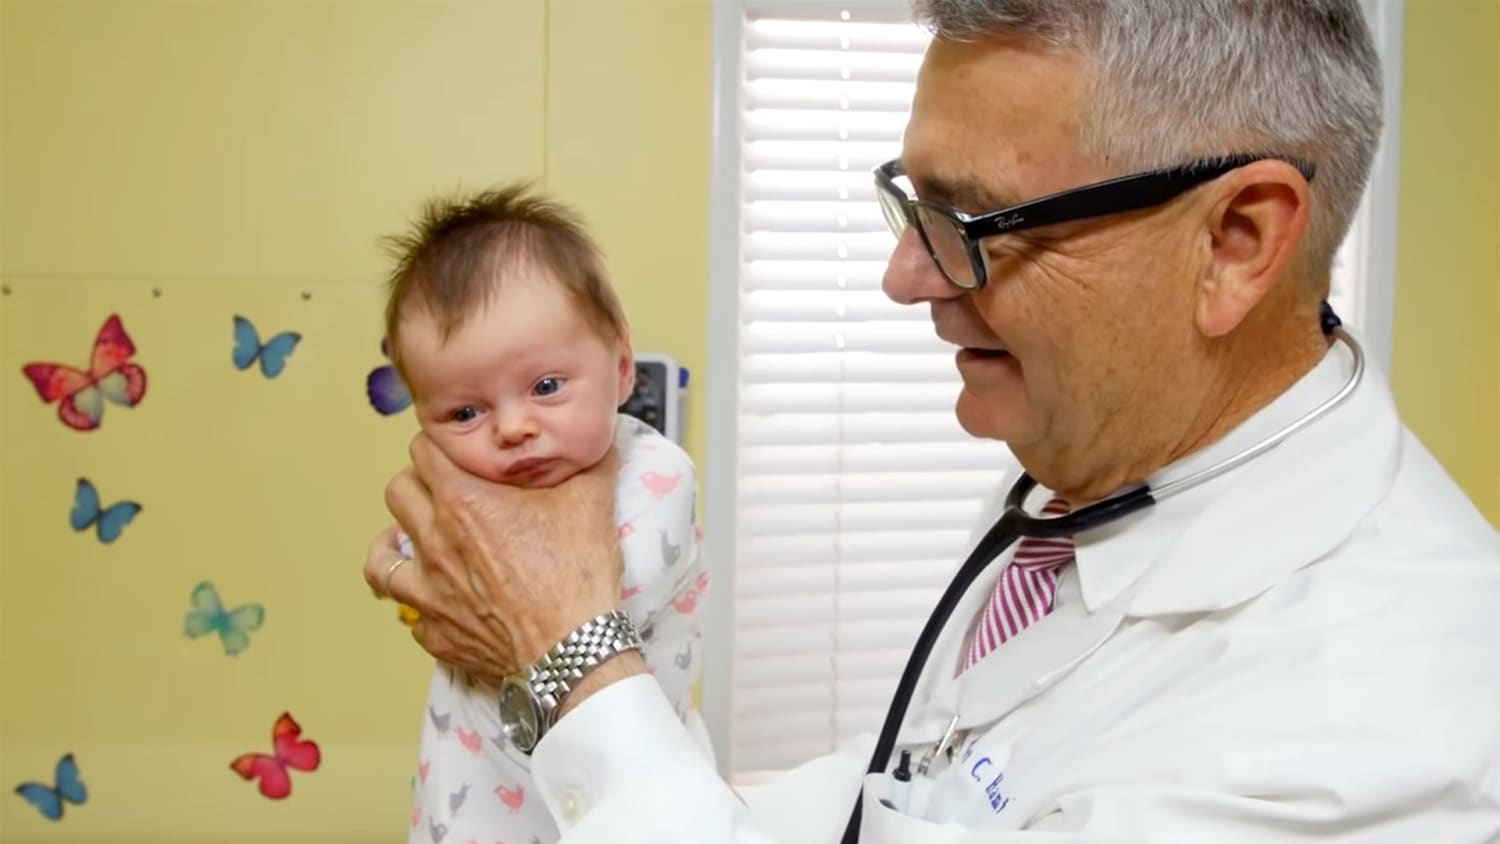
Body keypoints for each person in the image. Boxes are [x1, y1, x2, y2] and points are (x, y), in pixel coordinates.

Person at [365, 2, 1500, 841]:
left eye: (971, 218)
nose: (906, 276)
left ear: (1238, 239)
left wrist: (571, 663)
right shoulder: (1088, 482)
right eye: (913, 203)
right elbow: (918, 786)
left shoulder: (1375, 746)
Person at [373, 184, 708, 844]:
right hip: (466, 781)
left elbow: (606, 604)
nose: (514, 427)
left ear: (618, 369)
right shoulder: (467, 489)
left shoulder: (656, 474)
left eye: (546, 387)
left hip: (623, 781)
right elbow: (431, 585)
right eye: (465, 412)